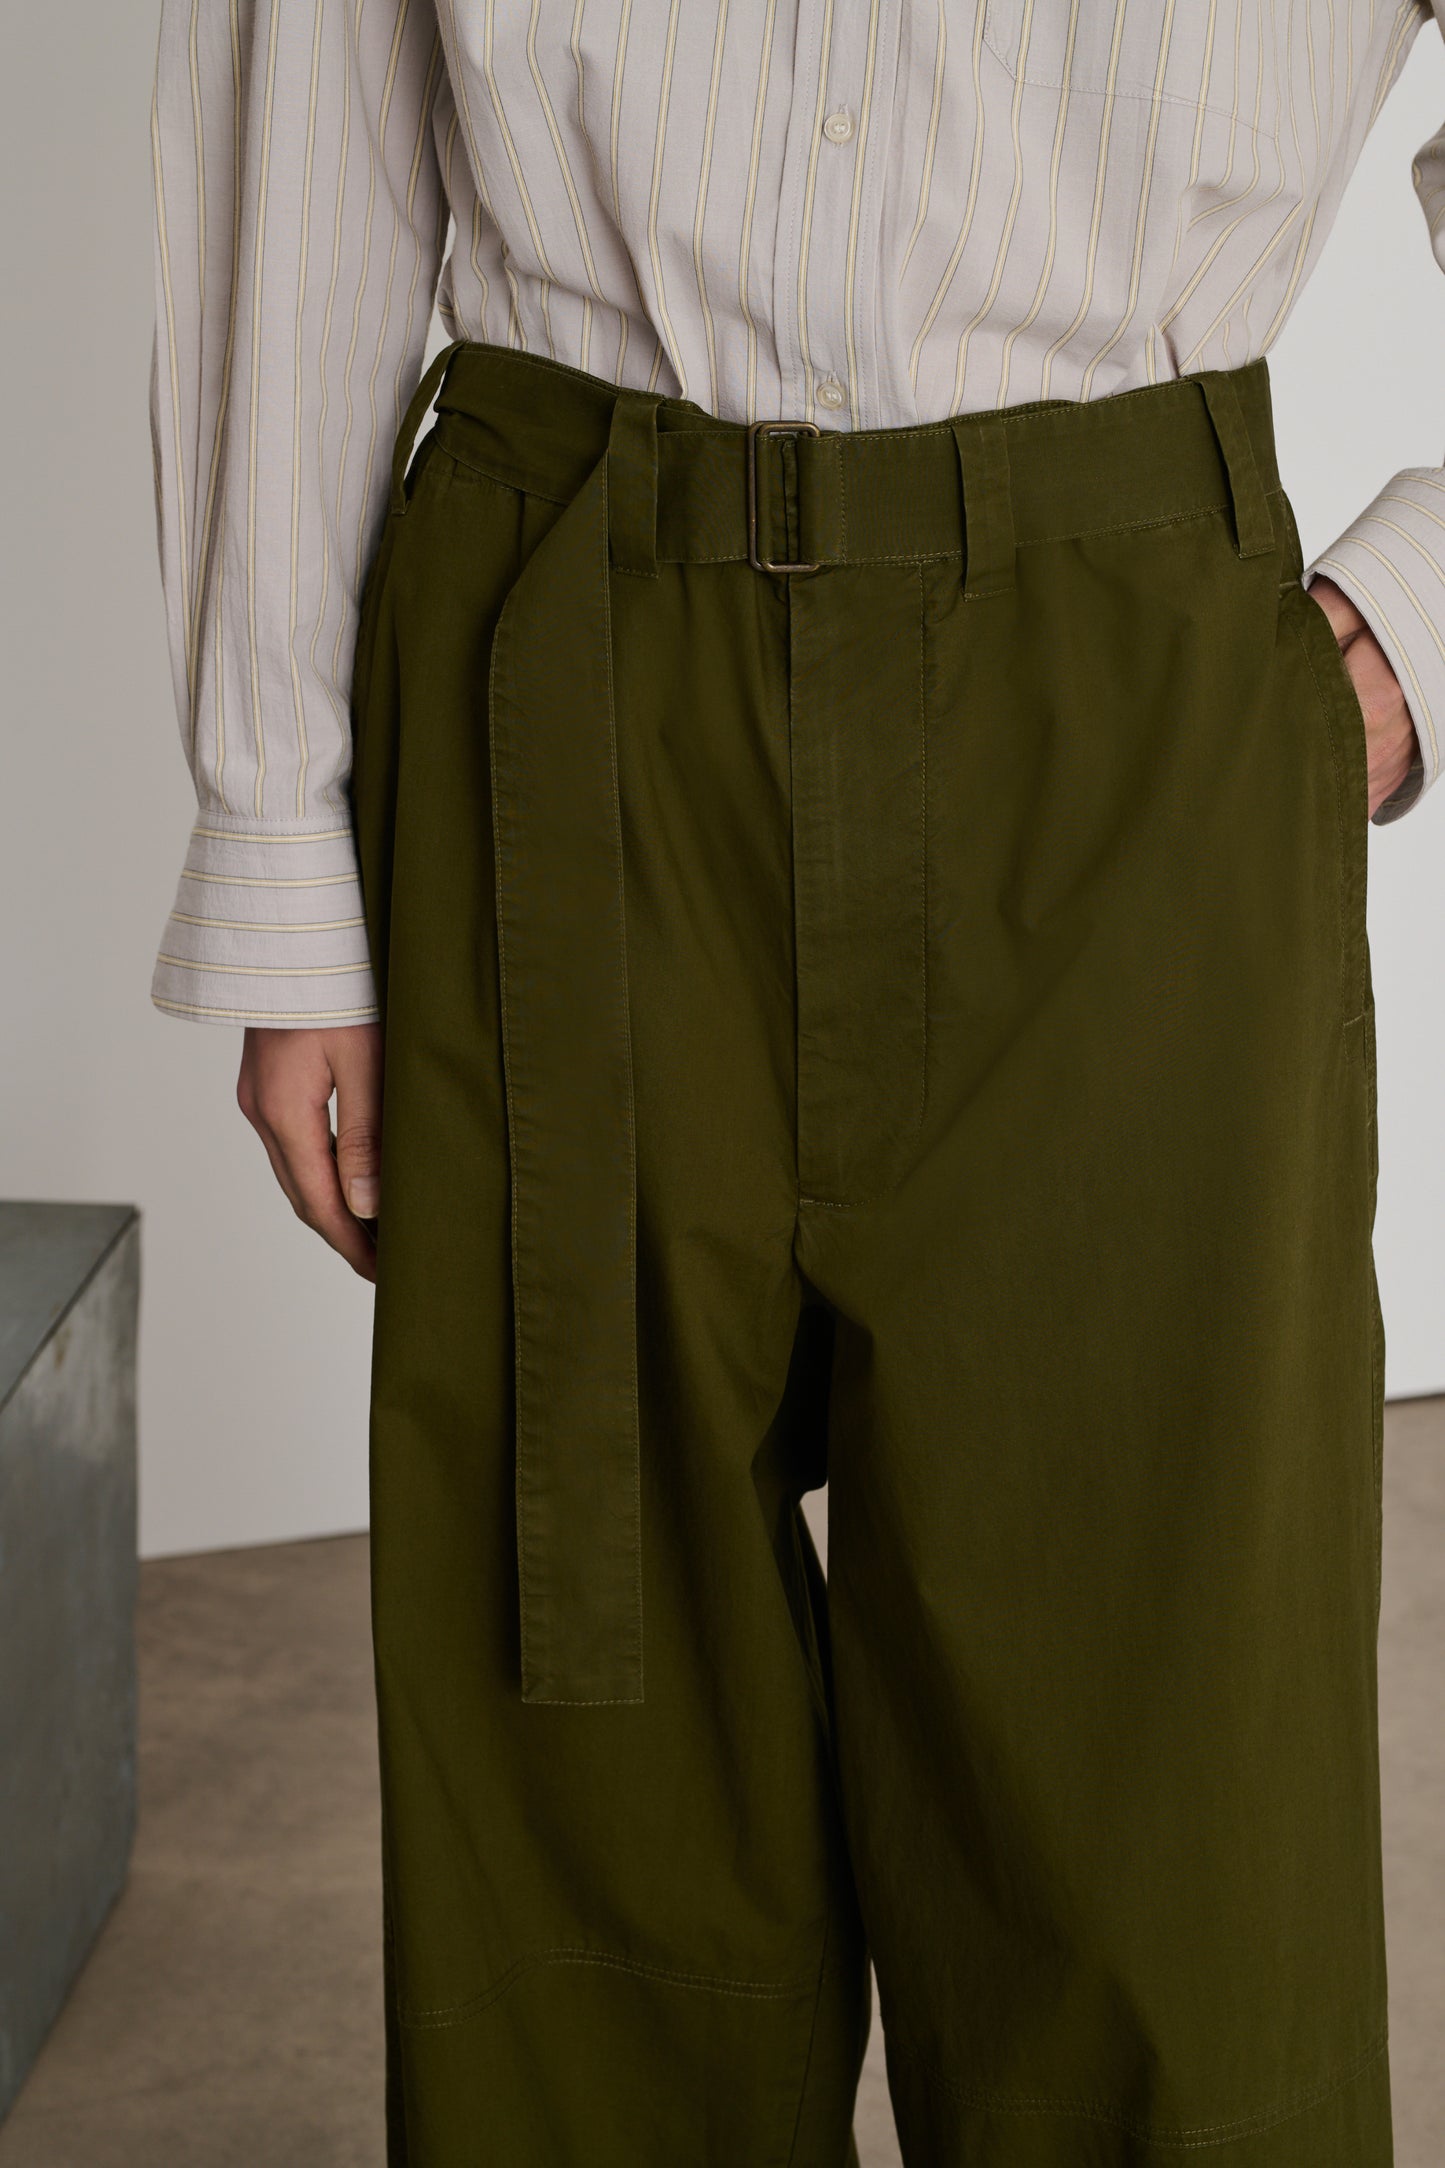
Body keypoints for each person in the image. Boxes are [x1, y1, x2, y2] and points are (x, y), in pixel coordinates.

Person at [148, 6, 1440, 2163]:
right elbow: (313, 107)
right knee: (585, 1769)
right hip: (569, 662)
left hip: (1128, 703)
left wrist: (1417, 618)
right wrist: (279, 831)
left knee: (1163, 1817)